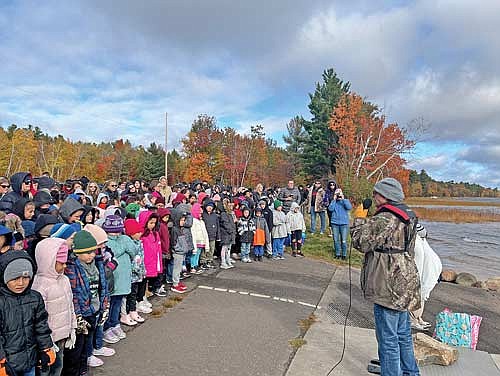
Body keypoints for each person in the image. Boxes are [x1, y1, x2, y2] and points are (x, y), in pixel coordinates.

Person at [351, 177, 421, 376]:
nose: (373, 197)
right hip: (405, 278)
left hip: (388, 282)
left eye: (376, 193)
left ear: (386, 195)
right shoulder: (409, 215)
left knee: (388, 338)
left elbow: (361, 243)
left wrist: (358, 218)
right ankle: (411, 373)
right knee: (403, 335)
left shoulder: (385, 218)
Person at [0, 251, 55, 376]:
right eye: (14, 278)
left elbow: (41, 326)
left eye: (25, 277)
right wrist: (1, 360)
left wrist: (46, 348)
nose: (20, 283)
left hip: (30, 360)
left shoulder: (35, 298)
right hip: (7, 364)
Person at [32, 238, 77, 376]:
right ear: (48, 261)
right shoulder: (40, 286)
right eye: (61, 263)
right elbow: (38, 318)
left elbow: (70, 306)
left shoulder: (64, 279)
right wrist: (46, 340)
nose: (64, 266)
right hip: (47, 342)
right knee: (45, 371)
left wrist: (72, 328)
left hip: (62, 336)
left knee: (58, 367)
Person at [410, 224, 442, 331]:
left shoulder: (419, 244)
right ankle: (415, 320)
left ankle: (417, 319)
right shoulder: (421, 245)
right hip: (425, 277)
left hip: (423, 277)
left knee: (419, 298)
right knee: (419, 298)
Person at [328, 187, 352, 260]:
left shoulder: (345, 201)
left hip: (344, 223)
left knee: (344, 240)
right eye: (337, 193)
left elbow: (349, 207)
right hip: (335, 223)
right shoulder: (334, 202)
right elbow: (330, 209)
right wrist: (334, 199)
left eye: (339, 193)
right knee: (336, 240)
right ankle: (337, 254)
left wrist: (343, 199)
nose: (338, 195)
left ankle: (344, 254)